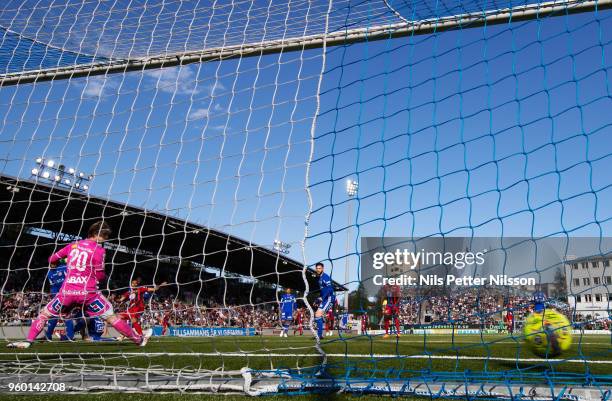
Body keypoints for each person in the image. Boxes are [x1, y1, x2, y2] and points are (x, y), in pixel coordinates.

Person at [7, 221, 152, 348]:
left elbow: (51, 259)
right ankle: (138, 340)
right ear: (96, 234)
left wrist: (63, 261)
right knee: (112, 318)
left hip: (67, 293)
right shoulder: (99, 250)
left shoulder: (72, 246)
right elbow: (100, 275)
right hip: (88, 294)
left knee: (44, 315)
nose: (105, 239)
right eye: (105, 236)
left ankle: (28, 341)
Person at [44, 258, 74, 341]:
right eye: (50, 263)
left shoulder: (63, 267)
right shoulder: (49, 273)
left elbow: (70, 279)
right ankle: (49, 335)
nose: (51, 265)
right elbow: (53, 286)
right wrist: (54, 296)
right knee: (54, 315)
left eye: (53, 263)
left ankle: (69, 336)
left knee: (66, 315)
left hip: (67, 294)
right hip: (57, 296)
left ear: (56, 263)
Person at [314, 262, 335, 340]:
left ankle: (320, 335)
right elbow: (323, 290)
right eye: (317, 268)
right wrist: (318, 299)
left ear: (322, 268)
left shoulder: (325, 277)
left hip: (329, 299)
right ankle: (320, 335)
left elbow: (330, 289)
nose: (318, 269)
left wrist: (322, 298)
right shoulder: (319, 278)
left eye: (319, 268)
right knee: (317, 315)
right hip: (325, 299)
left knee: (318, 315)